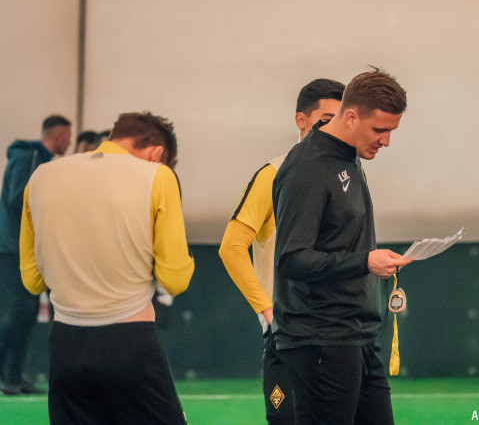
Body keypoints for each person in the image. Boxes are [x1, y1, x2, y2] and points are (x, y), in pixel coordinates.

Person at [19, 111, 194, 424]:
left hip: (65, 344)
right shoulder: (158, 176)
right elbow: (175, 279)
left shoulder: (41, 177)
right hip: (131, 342)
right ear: (156, 154)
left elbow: (32, 280)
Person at [272, 68, 412, 425]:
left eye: (391, 131)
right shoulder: (307, 167)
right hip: (320, 340)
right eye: (379, 130)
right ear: (350, 117)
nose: (386, 141)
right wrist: (365, 262)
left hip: (357, 336)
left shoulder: (349, 156)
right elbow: (292, 259)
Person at [219, 78, 344, 425]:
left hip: (340, 331)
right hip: (288, 335)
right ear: (300, 120)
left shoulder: (348, 174)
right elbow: (231, 247)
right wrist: (267, 311)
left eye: (340, 120)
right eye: (325, 119)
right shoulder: (273, 175)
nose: (333, 129)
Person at [0, 115, 71, 395]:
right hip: (14, 247)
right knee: (23, 309)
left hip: (24, 247)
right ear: (59, 135)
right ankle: (9, 376)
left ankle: (13, 376)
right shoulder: (30, 156)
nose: (69, 142)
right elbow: (19, 199)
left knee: (26, 311)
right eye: (68, 136)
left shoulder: (40, 159)